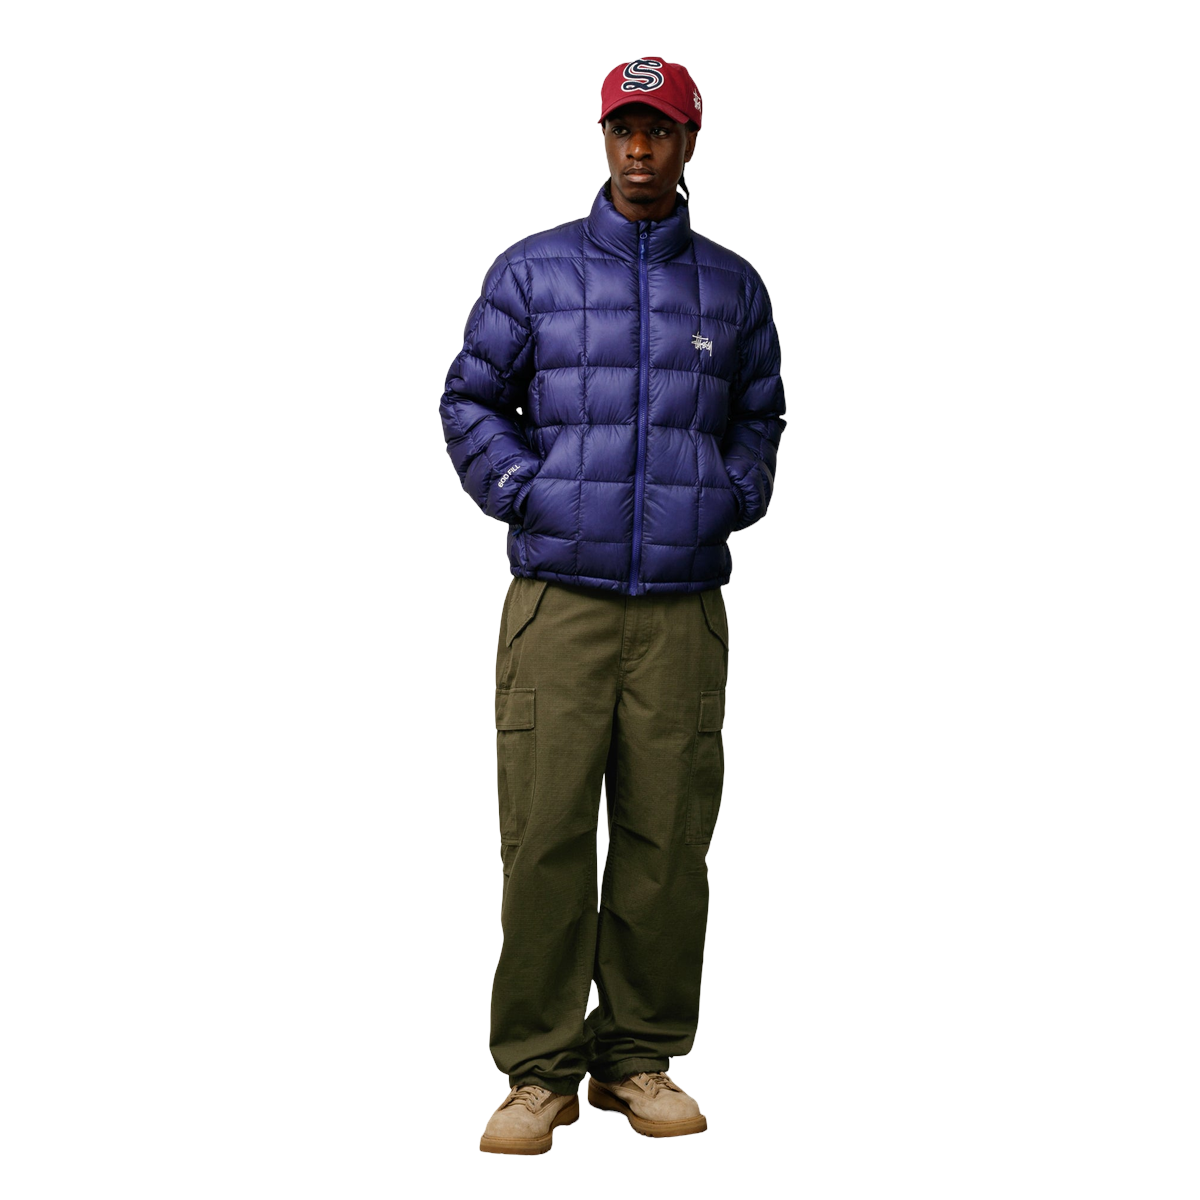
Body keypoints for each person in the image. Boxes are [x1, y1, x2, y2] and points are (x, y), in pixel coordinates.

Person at [438, 57, 787, 1155]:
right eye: (624, 129)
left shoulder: (731, 288)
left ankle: (638, 1056)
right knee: (543, 836)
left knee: (666, 839)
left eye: (661, 131)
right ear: (603, 137)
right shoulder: (533, 272)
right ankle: (537, 1072)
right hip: (558, 603)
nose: (641, 149)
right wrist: (523, 488)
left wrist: (732, 495)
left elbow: (762, 415)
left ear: (690, 142)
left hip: (681, 611)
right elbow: (470, 397)